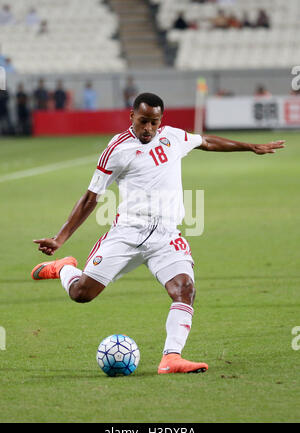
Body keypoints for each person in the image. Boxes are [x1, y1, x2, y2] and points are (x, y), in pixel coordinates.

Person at [31, 92, 285, 374]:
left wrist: (250, 146)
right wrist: (60, 238)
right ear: (132, 117)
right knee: (81, 294)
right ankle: (64, 268)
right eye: (143, 122)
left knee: (184, 289)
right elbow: (91, 197)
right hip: (127, 234)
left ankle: (171, 357)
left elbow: (207, 141)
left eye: (154, 122)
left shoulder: (174, 137)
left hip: (166, 237)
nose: (148, 129)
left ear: (160, 120)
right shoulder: (117, 149)